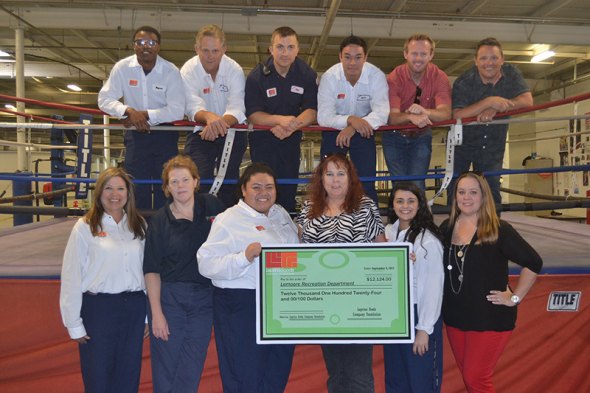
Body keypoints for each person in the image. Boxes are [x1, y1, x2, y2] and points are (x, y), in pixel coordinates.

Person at [197, 163, 299, 393]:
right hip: (242, 305)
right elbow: (206, 263)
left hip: (281, 303)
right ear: (243, 189)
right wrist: (243, 257)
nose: (263, 193)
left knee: (277, 372)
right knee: (245, 375)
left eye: (269, 187)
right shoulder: (229, 219)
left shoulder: (280, 213)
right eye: (256, 187)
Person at [441, 172, 543, 393]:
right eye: (461, 192)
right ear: (455, 196)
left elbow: (534, 262)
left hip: (490, 318)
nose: (466, 197)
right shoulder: (446, 228)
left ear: (483, 196)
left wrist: (515, 297)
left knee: (475, 378)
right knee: (469, 379)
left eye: (473, 192)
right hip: (456, 318)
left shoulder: (498, 229)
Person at [296, 153, 386, 393]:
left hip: (360, 303)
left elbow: (383, 248)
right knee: (336, 373)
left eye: (341, 174)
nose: (335, 180)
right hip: (324, 304)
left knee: (359, 374)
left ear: (350, 178)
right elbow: (299, 253)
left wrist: (399, 261)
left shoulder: (366, 206)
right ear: (321, 178)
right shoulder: (307, 209)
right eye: (330, 174)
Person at [59, 167, 147, 393]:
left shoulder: (139, 225)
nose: (114, 194)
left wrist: (147, 315)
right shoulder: (85, 227)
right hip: (98, 310)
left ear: (128, 193)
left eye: (120, 188)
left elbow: (146, 271)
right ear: (99, 193)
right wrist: (73, 323)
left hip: (134, 308)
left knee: (128, 376)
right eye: (108, 188)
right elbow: (71, 275)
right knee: (98, 377)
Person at [143, 155, 224, 393]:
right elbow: (151, 270)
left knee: (192, 363)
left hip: (204, 299)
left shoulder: (211, 206)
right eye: (174, 181)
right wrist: (156, 314)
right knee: (167, 365)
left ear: (196, 182)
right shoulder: (159, 220)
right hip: (171, 299)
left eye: (185, 180)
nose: (180, 186)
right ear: (167, 187)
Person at [98, 26, 185, 210]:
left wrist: (142, 115)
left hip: (165, 136)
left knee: (166, 186)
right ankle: (139, 232)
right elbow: (104, 99)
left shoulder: (170, 71)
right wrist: (127, 111)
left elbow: (177, 110)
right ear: (134, 45)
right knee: (137, 187)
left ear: (158, 47)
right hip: (136, 137)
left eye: (151, 42)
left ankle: (165, 232)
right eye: (141, 42)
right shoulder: (122, 68)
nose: (146, 46)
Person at [450, 37, 533, 205]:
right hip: (462, 144)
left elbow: (527, 101)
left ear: (502, 59)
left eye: (494, 58)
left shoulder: (511, 73)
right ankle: (453, 230)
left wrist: (497, 108)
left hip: (493, 144)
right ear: (475, 61)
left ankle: (493, 230)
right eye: (483, 58)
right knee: (455, 189)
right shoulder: (464, 82)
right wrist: (488, 102)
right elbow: (458, 115)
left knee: (492, 190)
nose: (489, 63)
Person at [245, 26, 318, 212]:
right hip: (262, 143)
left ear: (298, 49)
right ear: (271, 49)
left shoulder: (307, 74)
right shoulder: (256, 77)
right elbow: (253, 114)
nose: (285, 53)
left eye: (290, 47)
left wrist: (290, 127)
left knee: (286, 191)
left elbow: (312, 110)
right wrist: (279, 121)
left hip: (291, 142)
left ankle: (285, 235)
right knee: (262, 190)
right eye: (280, 47)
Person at [383, 182, 444, 393]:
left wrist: (424, 329)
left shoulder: (428, 241)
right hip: (395, 319)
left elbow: (432, 288)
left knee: (420, 383)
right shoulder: (388, 234)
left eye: (411, 201)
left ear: (420, 205)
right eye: (399, 201)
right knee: (396, 380)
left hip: (419, 316)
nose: (405, 206)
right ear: (392, 204)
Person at [180, 24, 247, 207]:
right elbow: (191, 106)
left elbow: (237, 106)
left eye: (215, 50)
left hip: (232, 131)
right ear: (197, 49)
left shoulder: (234, 70)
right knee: (197, 178)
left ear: (224, 49)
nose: (210, 56)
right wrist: (210, 118)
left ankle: (228, 224)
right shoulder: (188, 70)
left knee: (229, 182)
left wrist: (217, 123)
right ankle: (199, 223)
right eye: (205, 50)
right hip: (201, 131)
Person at [317, 35, 389, 203]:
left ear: (365, 57)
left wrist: (354, 125)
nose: (352, 63)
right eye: (347, 57)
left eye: (358, 57)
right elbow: (323, 117)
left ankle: (372, 224)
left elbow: (382, 113)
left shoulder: (376, 76)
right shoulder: (329, 77)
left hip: (364, 129)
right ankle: (327, 221)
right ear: (340, 57)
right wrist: (350, 119)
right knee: (329, 180)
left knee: (366, 181)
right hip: (333, 132)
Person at [383, 34, 452, 191]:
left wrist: (424, 111)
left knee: (417, 186)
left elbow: (446, 113)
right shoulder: (394, 78)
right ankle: (399, 216)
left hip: (422, 136)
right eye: (414, 53)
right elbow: (392, 117)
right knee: (399, 187)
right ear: (405, 54)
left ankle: (418, 216)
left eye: (423, 54)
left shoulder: (439, 77)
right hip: (394, 137)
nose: (418, 58)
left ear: (431, 55)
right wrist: (410, 117)